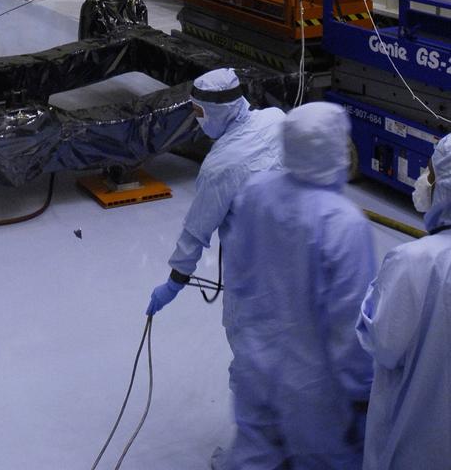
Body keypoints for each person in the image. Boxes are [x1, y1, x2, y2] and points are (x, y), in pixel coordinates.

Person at [223, 101, 376, 469]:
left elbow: (238, 274)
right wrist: (362, 388)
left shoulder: (257, 191)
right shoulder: (343, 223)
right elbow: (350, 317)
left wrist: (246, 340)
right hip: (315, 385)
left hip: (256, 359)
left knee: (254, 453)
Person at [146, 67, 285, 318]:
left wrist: (174, 283)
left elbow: (196, 232)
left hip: (254, 274)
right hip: (297, 256)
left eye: (199, 113)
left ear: (218, 111)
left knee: (253, 343)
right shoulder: (276, 118)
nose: (198, 121)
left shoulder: (219, 167)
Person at [357, 132, 451, 470]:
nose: (424, 180)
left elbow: (383, 343)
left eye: (430, 172)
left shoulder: (414, 262)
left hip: (416, 446)